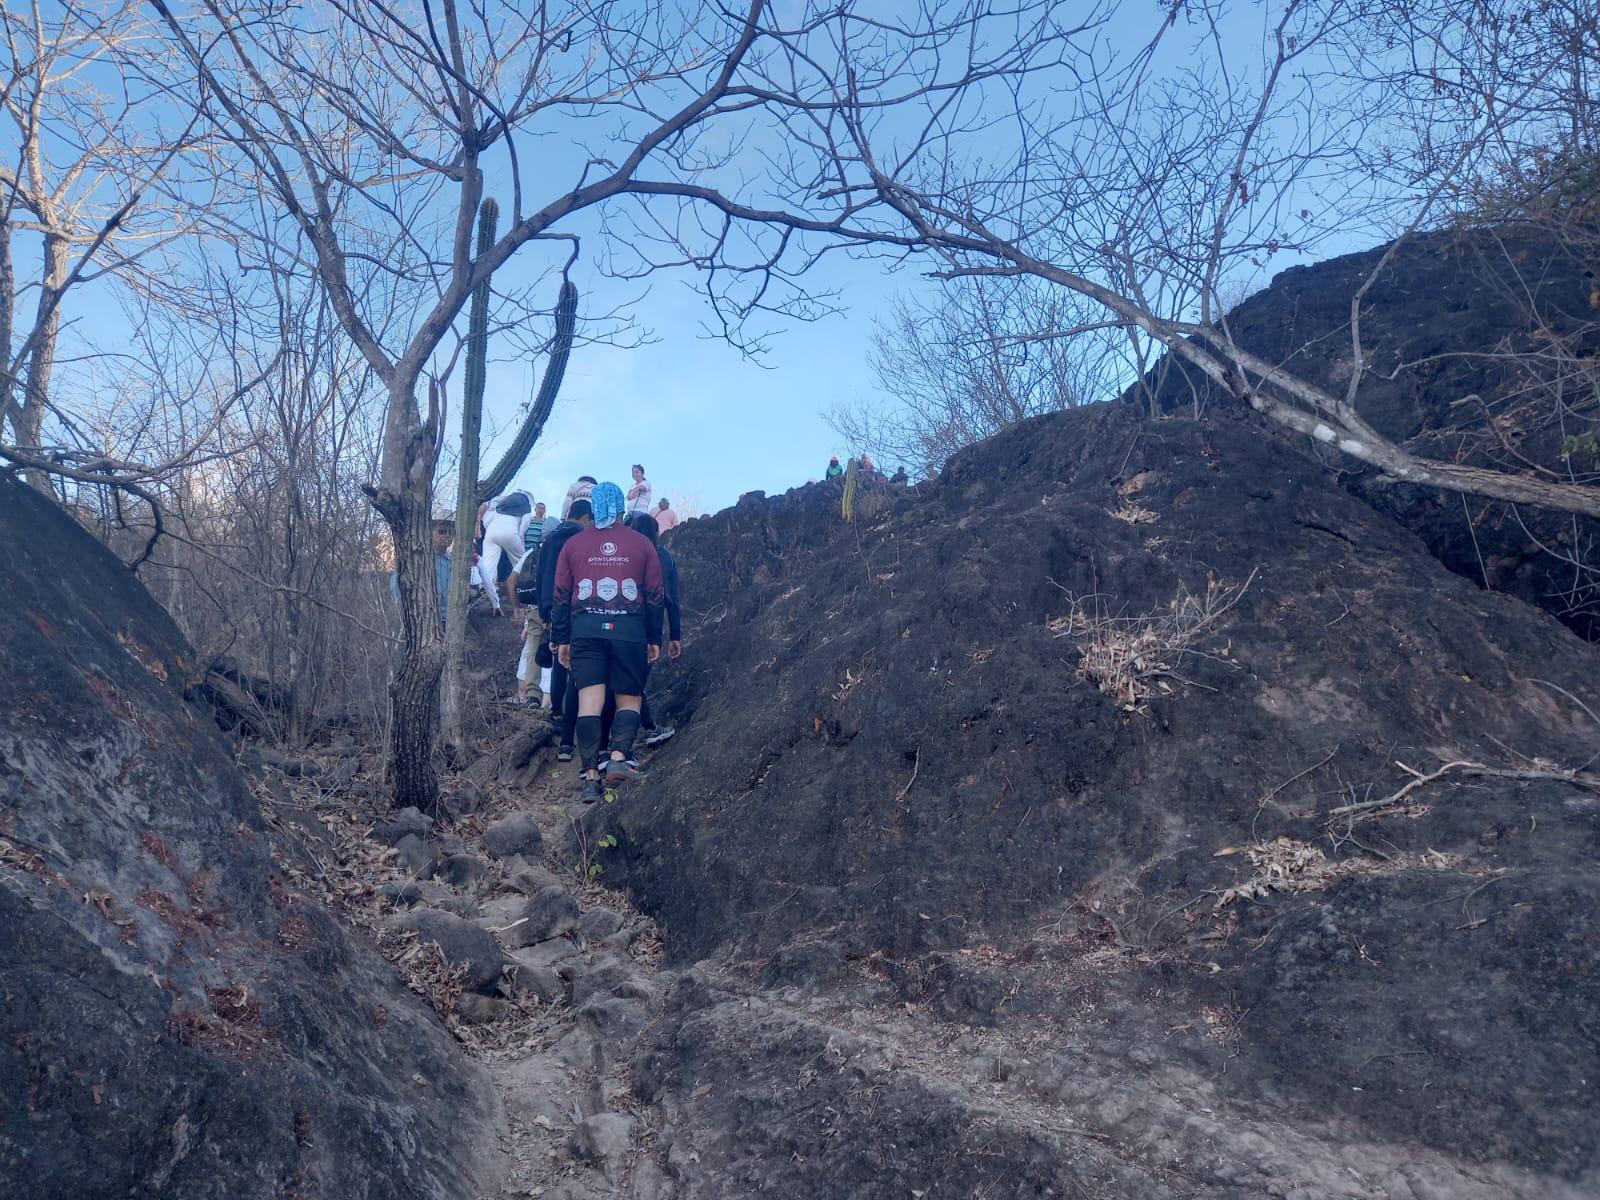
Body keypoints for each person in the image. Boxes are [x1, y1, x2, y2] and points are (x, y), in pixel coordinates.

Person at [552, 481, 664, 802]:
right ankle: (618, 760)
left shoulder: (573, 545)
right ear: (619, 508)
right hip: (629, 631)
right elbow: (655, 594)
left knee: (589, 701)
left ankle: (590, 778)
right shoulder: (642, 543)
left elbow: (561, 595)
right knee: (629, 698)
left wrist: (562, 638)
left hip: (585, 629)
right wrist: (654, 636)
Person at [530, 498, 593, 759]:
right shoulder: (583, 539)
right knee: (576, 662)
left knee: (558, 659)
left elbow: (541, 574)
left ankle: (556, 711)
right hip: (577, 604)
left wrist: (545, 609)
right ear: (586, 518)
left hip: (552, 604)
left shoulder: (550, 539)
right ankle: (576, 716)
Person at [626, 511, 681, 748]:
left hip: (619, 623)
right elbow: (671, 599)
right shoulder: (665, 558)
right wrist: (674, 636)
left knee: (625, 682)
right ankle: (640, 734)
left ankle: (636, 733)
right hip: (648, 629)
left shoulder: (624, 555)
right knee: (635, 683)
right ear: (657, 533)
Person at [477, 489, 535, 615]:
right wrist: (520, 537)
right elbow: (524, 525)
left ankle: (484, 591)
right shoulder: (525, 509)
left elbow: (487, 521)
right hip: (511, 534)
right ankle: (525, 589)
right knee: (521, 564)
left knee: (488, 565)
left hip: (491, 533)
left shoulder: (500, 507)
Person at [389, 519, 457, 626]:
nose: (447, 535)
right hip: (425, 624)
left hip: (452, 623)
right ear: (430, 533)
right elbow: (397, 585)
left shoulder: (455, 563)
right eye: (442, 531)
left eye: (451, 532)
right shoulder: (417, 559)